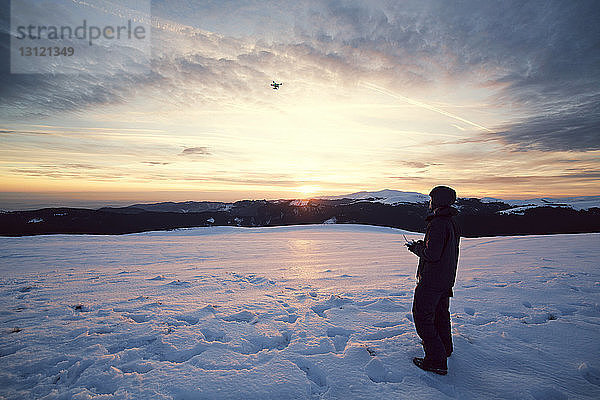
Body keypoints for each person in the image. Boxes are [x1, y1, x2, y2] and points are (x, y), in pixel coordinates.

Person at [406, 186, 460, 375]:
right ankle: (444, 347)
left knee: (422, 316)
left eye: (431, 199)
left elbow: (432, 254)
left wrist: (417, 248)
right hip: (445, 278)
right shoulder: (450, 221)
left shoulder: (438, 223)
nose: (429, 202)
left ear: (437, 201)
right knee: (440, 314)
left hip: (432, 279)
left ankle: (436, 360)